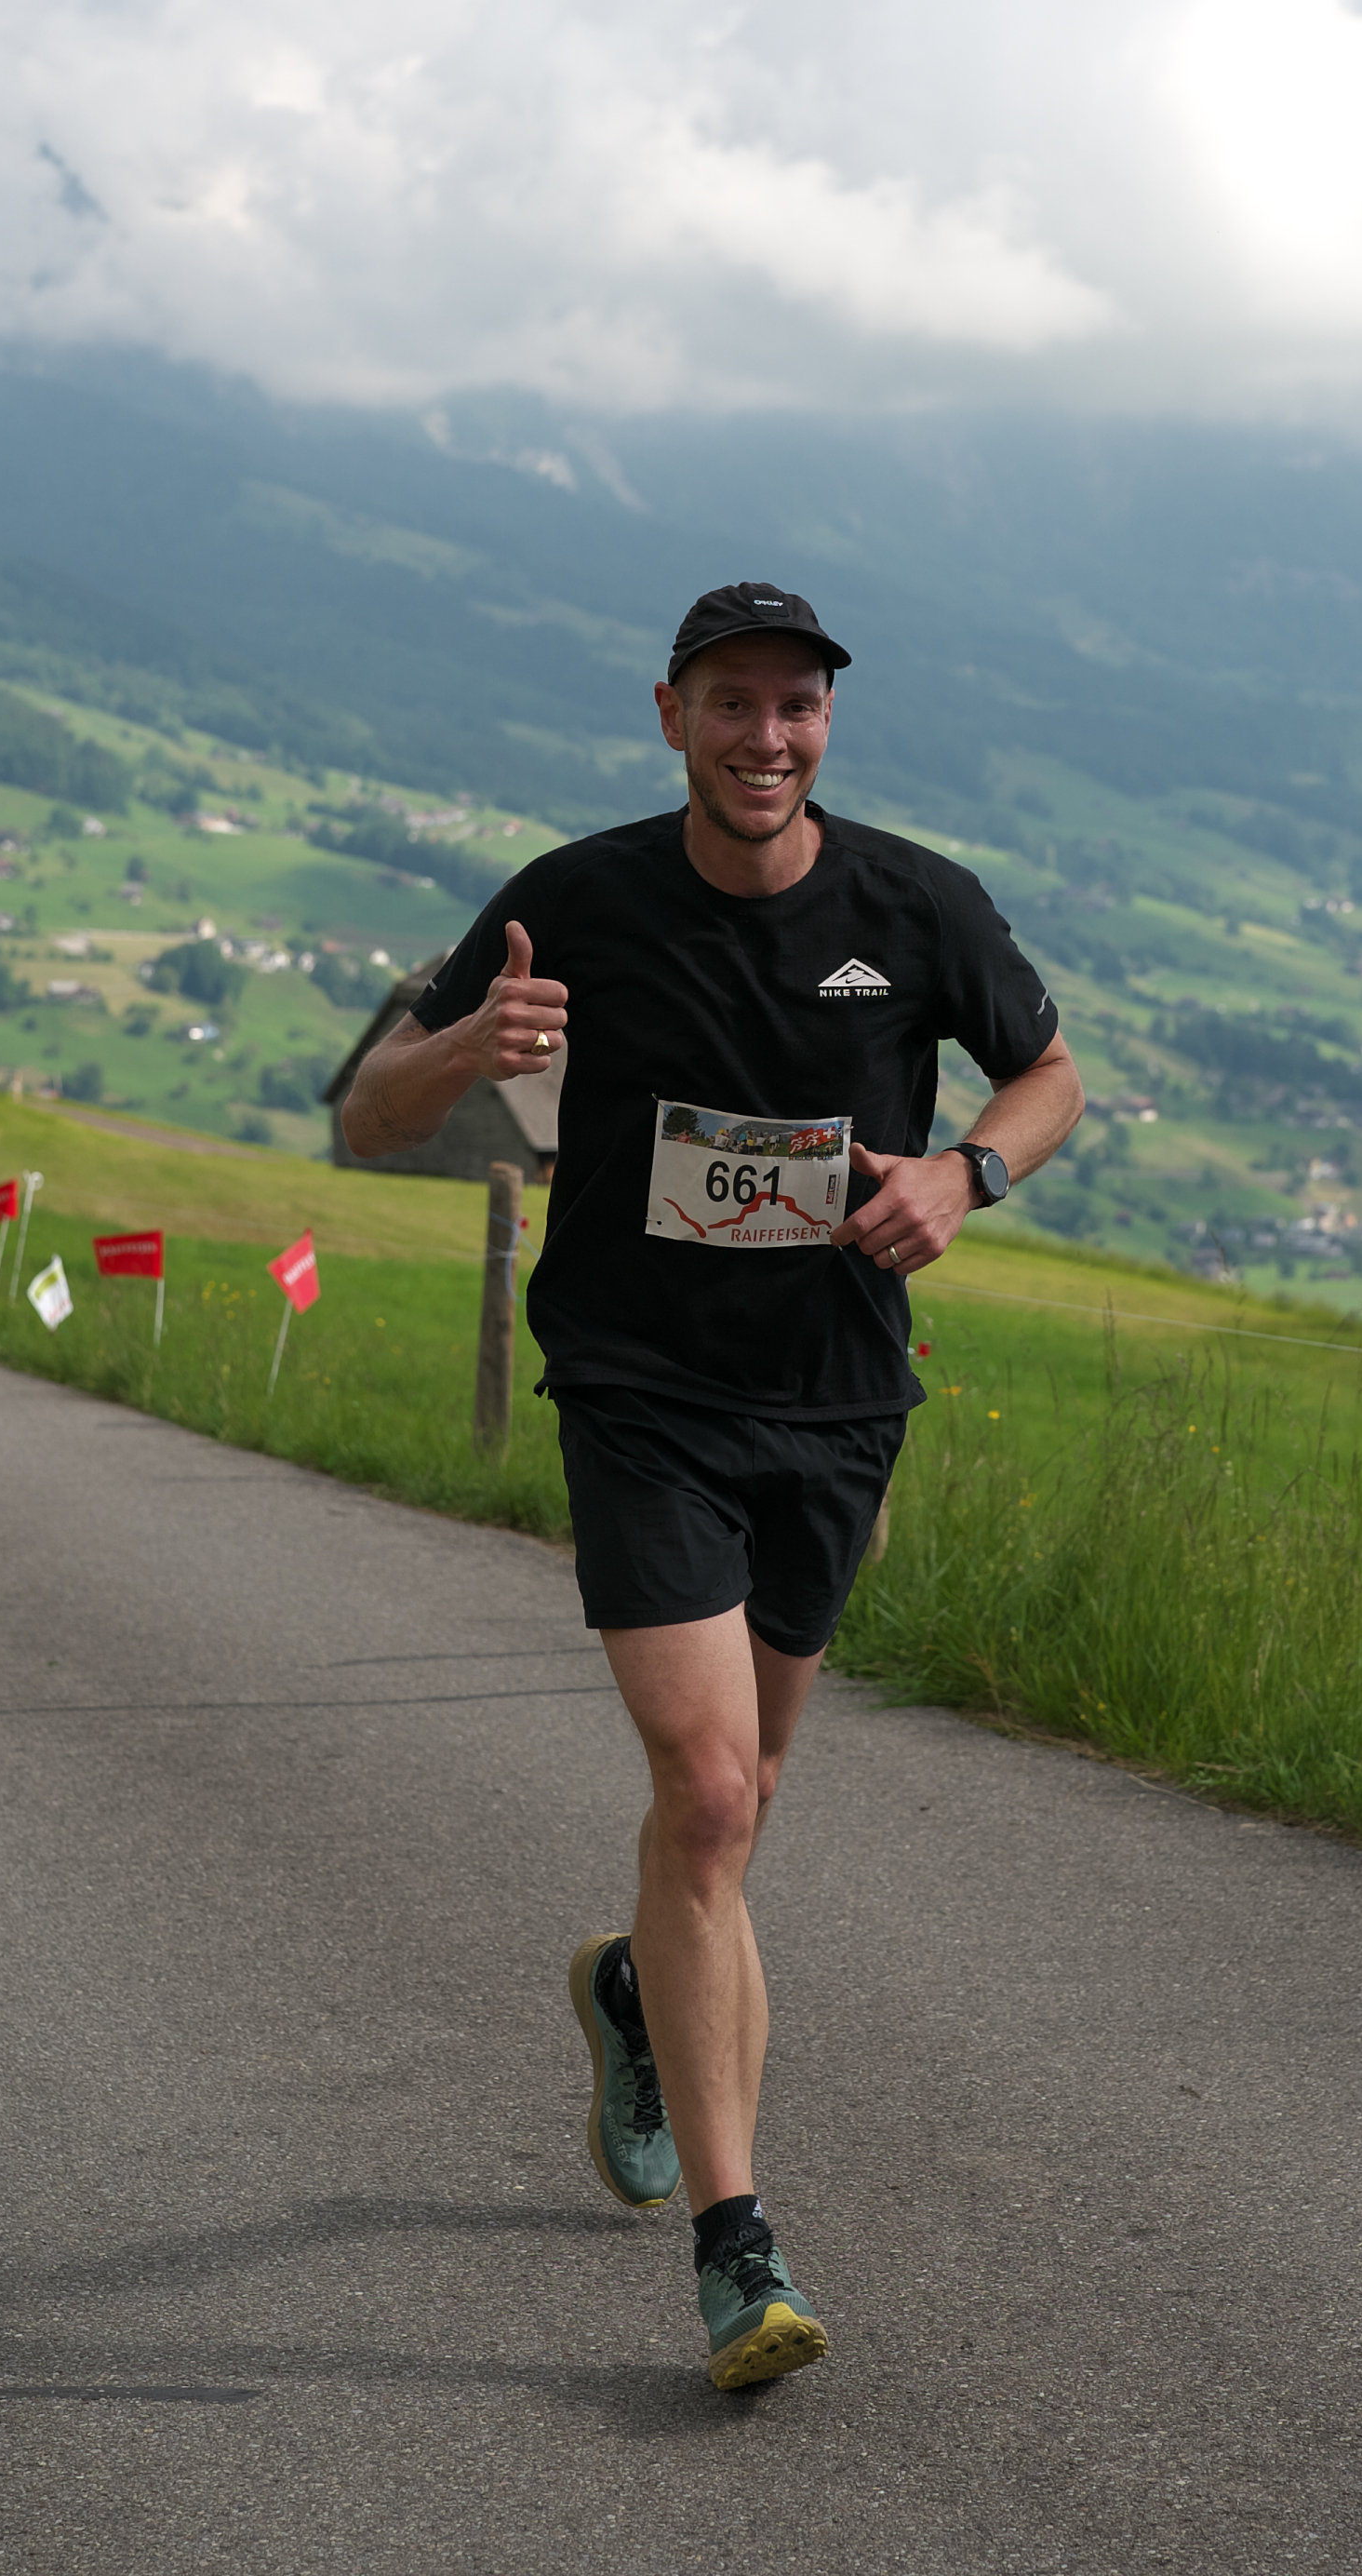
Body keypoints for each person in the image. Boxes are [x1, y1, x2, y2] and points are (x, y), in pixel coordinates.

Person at [341, 582, 1083, 2389]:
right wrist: (469, 1050)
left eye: (796, 705)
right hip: (640, 1392)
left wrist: (966, 1175)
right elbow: (368, 1112)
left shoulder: (916, 905)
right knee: (712, 1792)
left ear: (827, 722)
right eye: (733, 702)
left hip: (836, 1406)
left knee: (737, 1814)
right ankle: (737, 2251)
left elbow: (1049, 1075)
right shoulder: (576, 898)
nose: (767, 737)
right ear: (670, 714)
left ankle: (631, 1991)